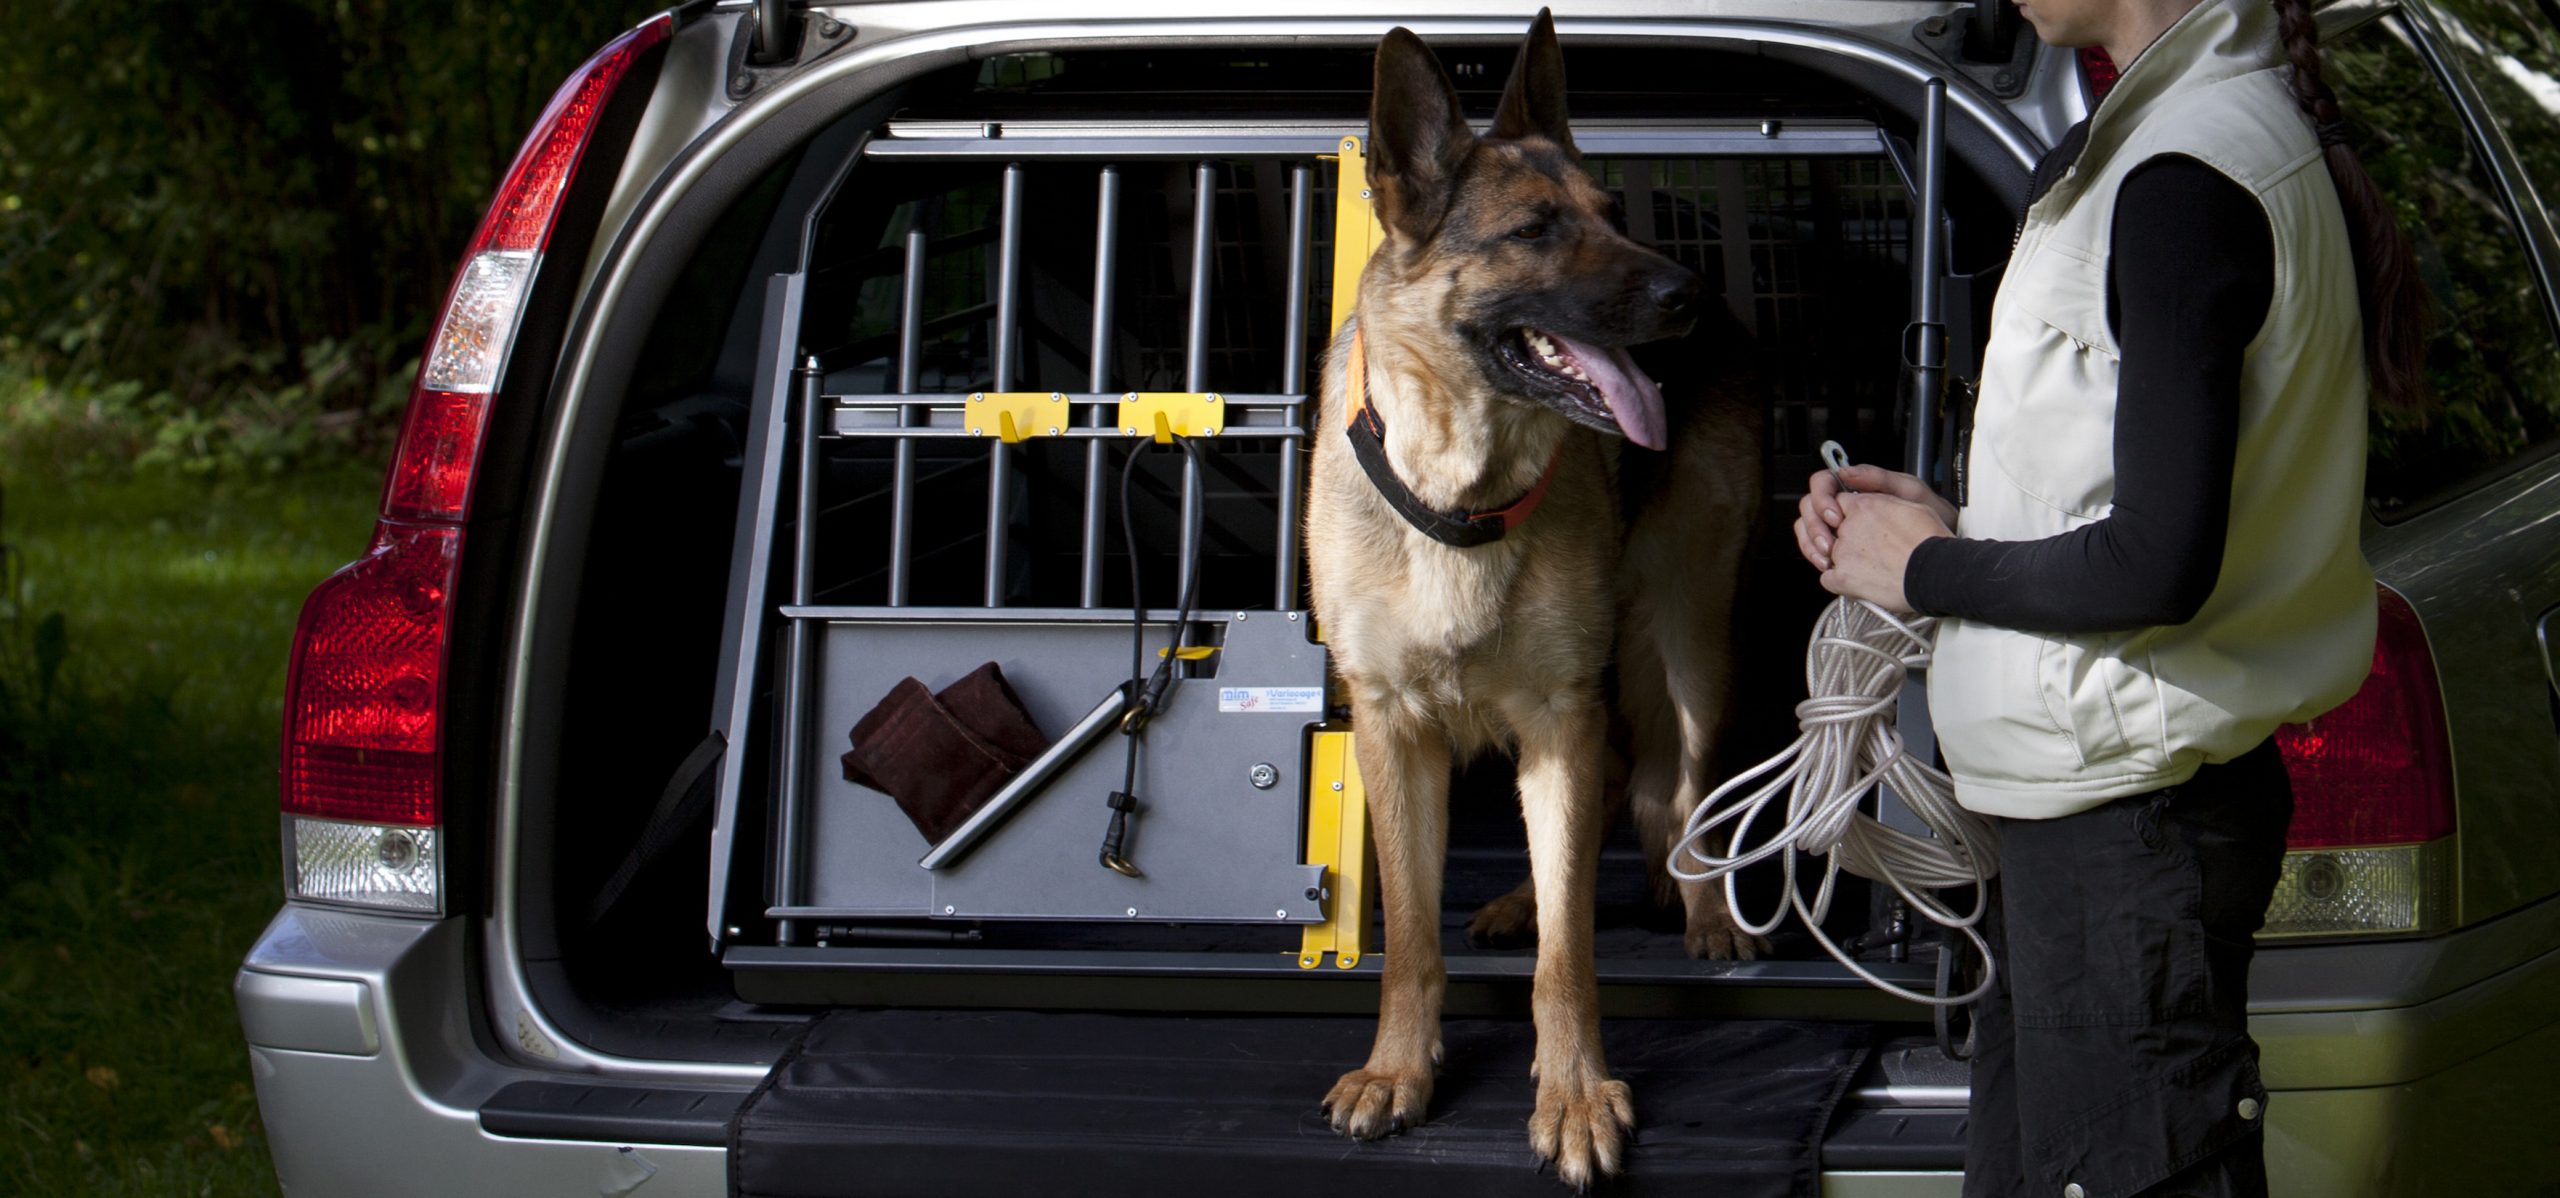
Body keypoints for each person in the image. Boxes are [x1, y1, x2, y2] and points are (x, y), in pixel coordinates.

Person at [1792, 0, 2428, 1194]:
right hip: (2099, 823)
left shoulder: (2181, 174)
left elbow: (2155, 564)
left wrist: (1919, 572)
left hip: (2131, 830)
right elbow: (2117, 499)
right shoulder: (2174, 144)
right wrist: (1939, 528)